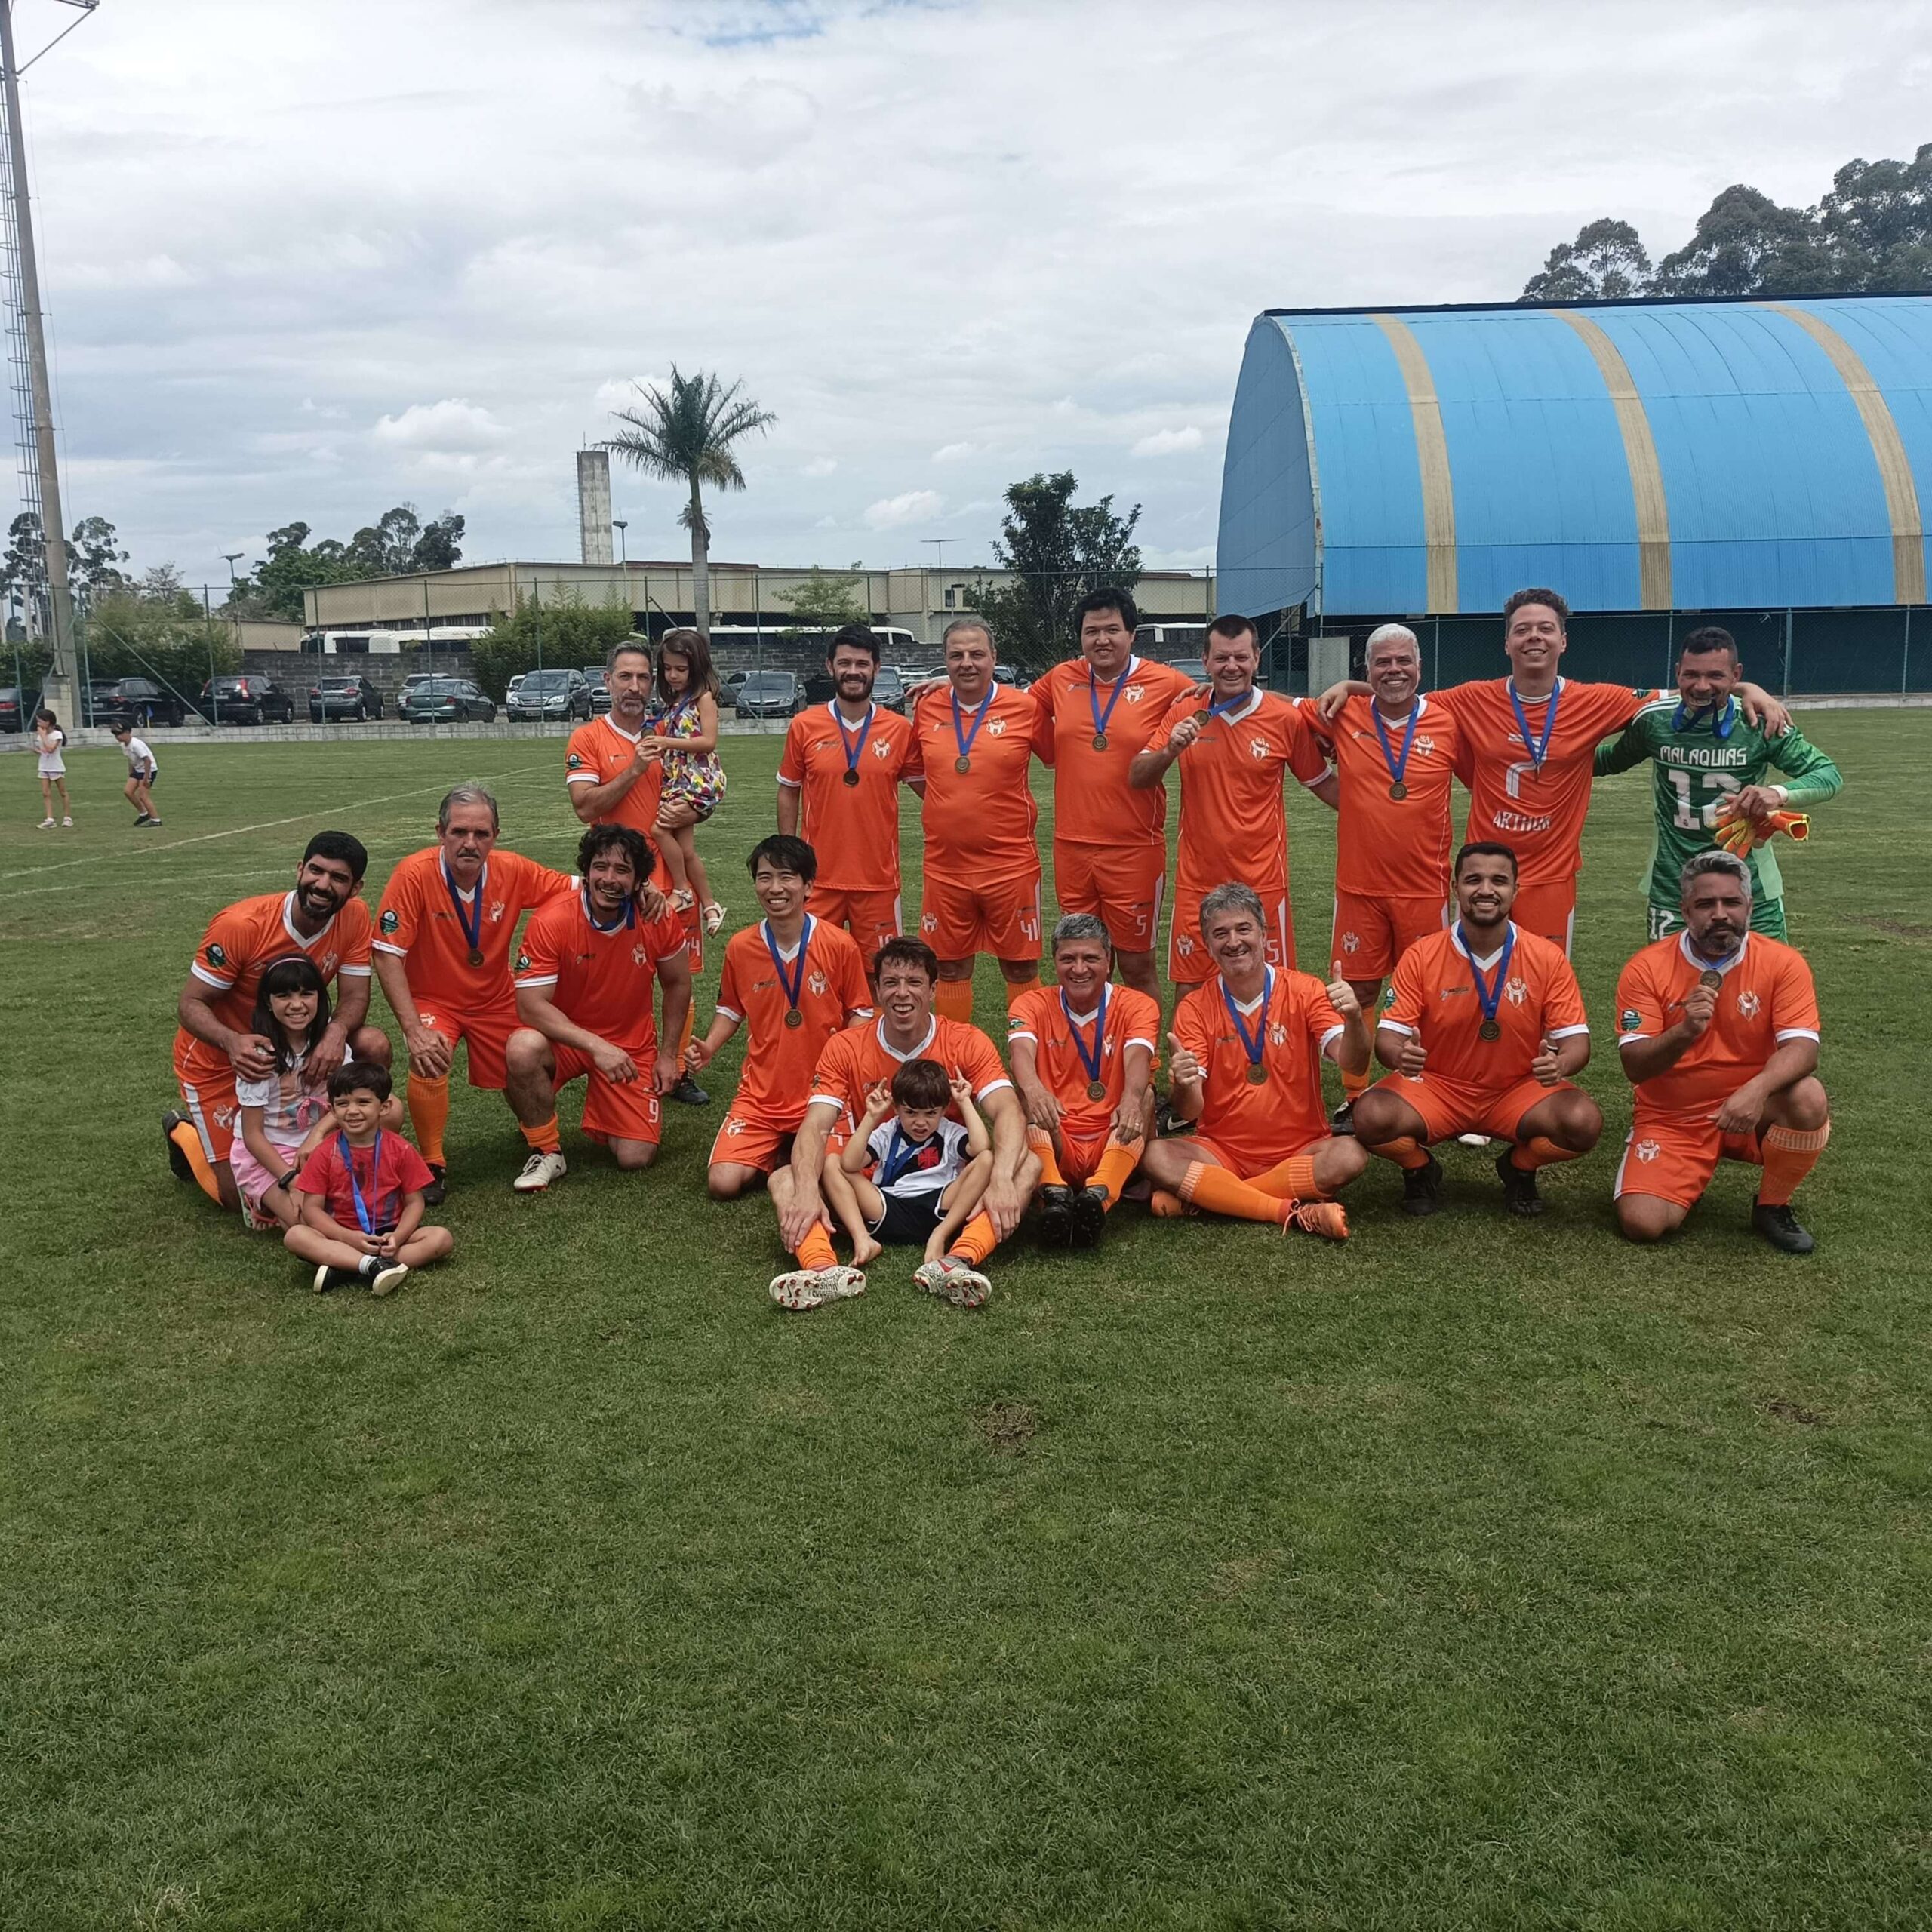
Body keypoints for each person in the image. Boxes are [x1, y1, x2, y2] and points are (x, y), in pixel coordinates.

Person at [1318, 588, 1789, 952]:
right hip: (1486, 871)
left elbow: (1686, 691)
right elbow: (1403, 695)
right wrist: (1353, 685)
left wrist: (1747, 688)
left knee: (1542, 981)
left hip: (1550, 876)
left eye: (1545, 629)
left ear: (1563, 640)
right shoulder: (1470, 699)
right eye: (1522, 630)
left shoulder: (1597, 701)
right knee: (1474, 976)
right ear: (1507, 642)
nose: (1534, 637)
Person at [768, 935, 1038, 1312]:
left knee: (1028, 1164)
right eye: (891, 982)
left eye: (914, 982)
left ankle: (957, 1260)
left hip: (952, 1189)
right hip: (873, 1189)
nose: (902, 993)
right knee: (786, 1179)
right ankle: (823, 1269)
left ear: (933, 990)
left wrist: (1003, 1180)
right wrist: (806, 1191)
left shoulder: (966, 1041)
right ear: (877, 991)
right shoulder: (846, 1046)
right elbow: (816, 1126)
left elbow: (1008, 1111)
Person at [1352, 842, 1602, 1217]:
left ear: (1516, 890)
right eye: (1473, 880)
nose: (1486, 890)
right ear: (1456, 888)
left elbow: (1577, 1042)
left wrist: (1561, 1065)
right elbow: (1388, 1038)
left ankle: (1519, 1167)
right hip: (1438, 1087)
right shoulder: (1422, 955)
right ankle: (1419, 1169)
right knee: (1370, 1116)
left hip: (1517, 1089)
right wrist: (1400, 1056)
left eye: (1498, 881)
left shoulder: (1546, 957)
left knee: (1583, 1122)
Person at [1613, 850, 1829, 1253]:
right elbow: (1635, 1066)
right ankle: (1680, 1173)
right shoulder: (1646, 968)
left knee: (1808, 1096)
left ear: (1749, 906)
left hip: (1750, 1108)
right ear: (1685, 911)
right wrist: (1684, 1031)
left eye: (1731, 902)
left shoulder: (1783, 963)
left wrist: (1756, 1090)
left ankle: (1772, 1205)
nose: (1719, 915)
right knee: (1642, 1223)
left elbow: (1803, 1049)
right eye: (1705, 904)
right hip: (1674, 1117)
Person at [371, 783, 575, 1202]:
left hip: (495, 998)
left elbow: (578, 888)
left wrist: (643, 890)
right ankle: (432, 1164)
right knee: (430, 1051)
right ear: (440, 832)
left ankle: (545, 1146)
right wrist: (413, 1029)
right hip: (433, 999)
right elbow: (387, 953)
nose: (470, 843)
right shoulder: (413, 874)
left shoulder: (512, 869)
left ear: (495, 836)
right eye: (459, 832)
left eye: (481, 834)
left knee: (527, 1053)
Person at [165, 832, 389, 1212]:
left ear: (355, 888)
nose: (322, 885)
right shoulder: (242, 925)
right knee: (239, 1199)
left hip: (296, 1054)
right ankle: (182, 1132)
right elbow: (190, 1003)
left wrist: (335, 1033)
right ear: (299, 869)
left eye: (338, 878)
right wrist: (232, 1042)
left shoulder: (353, 916)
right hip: (221, 1060)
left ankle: (359, 1152)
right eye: (316, 871)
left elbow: (355, 996)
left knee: (372, 1045)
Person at [1142, 883, 1370, 1238]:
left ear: (1264, 933)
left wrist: (1354, 1018)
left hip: (1301, 1149)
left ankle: (1217, 1198)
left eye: (1243, 929)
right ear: (1207, 944)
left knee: (1349, 1155)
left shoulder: (1305, 990)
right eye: (1220, 933)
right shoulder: (1195, 1008)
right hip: (1222, 1153)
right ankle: (1290, 1212)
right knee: (1155, 1157)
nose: (1233, 942)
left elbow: (1353, 1063)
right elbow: (1190, 1111)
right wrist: (1183, 1085)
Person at [1592, 625, 1843, 940]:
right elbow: (1608, 762)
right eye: (1691, 675)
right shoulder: (1654, 720)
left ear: (1736, 675)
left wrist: (1776, 793)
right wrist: (1546, 757)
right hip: (1674, 887)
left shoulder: (1759, 721)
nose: (1701, 686)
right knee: (1669, 974)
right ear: (1677, 672)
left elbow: (1828, 775)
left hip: (1750, 888)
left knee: (1766, 973)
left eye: (1715, 676)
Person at [1132, 614, 1337, 989]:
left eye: (1241, 657)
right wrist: (1169, 751)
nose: (1232, 666)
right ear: (1205, 660)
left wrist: (1380, 808)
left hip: (1263, 882)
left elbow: (1322, 783)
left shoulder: (1284, 719)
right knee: (1191, 988)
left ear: (1257, 658)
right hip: (1198, 882)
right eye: (1222, 658)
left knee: (1271, 988)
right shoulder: (1184, 712)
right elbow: (1138, 777)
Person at [1306, 623, 1456, 1124]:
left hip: (1425, 889)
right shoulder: (1342, 713)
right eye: (1382, 663)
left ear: (1420, 667)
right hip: (1359, 888)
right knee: (1359, 994)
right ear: (1367, 669)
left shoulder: (1448, 720)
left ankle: (1431, 1089)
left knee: (1431, 997)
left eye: (1403, 661)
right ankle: (1355, 1096)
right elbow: (1277, 711)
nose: (1394, 671)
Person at [1030, 588, 1198, 1000]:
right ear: (1081, 637)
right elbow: (1004, 705)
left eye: (1112, 630)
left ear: (1132, 634)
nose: (1102, 640)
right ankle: (1091, 1042)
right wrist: (949, 686)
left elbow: (1218, 702)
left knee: (1137, 966)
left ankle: (1144, 1042)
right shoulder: (1061, 678)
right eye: (1092, 632)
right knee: (1082, 960)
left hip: (1134, 849)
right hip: (1072, 847)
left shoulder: (1166, 681)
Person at [506, 823, 692, 1188]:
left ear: (639, 880)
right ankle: (546, 1150)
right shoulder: (552, 919)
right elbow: (530, 1007)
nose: (609, 879)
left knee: (635, 1156)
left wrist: (670, 1055)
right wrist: (596, 1046)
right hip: (566, 1040)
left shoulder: (657, 916)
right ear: (586, 871)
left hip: (629, 1043)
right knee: (522, 1048)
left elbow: (678, 983)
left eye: (622, 870)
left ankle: (606, 1106)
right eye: (600, 867)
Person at [690, 835, 874, 1201]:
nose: (775, 888)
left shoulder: (839, 944)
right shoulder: (741, 947)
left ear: (808, 886)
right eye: (765, 877)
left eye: (786, 877)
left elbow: (861, 1012)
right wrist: (710, 1045)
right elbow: (731, 1008)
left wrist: (843, 1059)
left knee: (839, 1177)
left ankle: (790, 1152)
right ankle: (787, 1149)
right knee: (722, 1183)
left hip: (825, 1092)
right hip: (763, 1095)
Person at [565, 635, 707, 1106]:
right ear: (607, 681)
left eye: (644, 677)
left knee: (679, 976)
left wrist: (696, 809)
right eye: (625, 676)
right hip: (618, 882)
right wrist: (632, 769)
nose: (634, 686)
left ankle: (677, 1068)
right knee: (623, 977)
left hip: (672, 879)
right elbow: (585, 808)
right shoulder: (588, 737)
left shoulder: (668, 730)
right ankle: (615, 1058)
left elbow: (701, 787)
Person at [906, 616, 1048, 1026]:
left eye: (976, 654)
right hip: (946, 867)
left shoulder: (1025, 707)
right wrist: (949, 803)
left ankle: (1028, 1058)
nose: (966, 663)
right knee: (949, 967)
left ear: (994, 658)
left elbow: (1060, 756)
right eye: (956, 655)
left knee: (1020, 967)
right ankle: (955, 1058)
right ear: (945, 661)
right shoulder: (927, 706)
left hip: (1011, 864)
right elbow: (914, 768)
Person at [776, 621, 922, 971]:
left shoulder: (899, 730)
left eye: (862, 664)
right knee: (813, 970)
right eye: (845, 663)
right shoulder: (805, 725)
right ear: (830, 667)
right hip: (818, 878)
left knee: (880, 974)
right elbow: (789, 790)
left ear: (876, 669)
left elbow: (932, 792)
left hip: (878, 880)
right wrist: (787, 856)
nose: (853, 671)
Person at [1007, 913, 1158, 1248]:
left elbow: (1138, 1056)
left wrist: (1131, 1098)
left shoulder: (1137, 1005)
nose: (1079, 969)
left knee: (1144, 1096)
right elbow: (1020, 1052)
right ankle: (1053, 1191)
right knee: (1023, 1094)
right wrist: (1034, 1089)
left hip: (1113, 1134)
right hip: (1057, 1134)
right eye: (1068, 959)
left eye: (1090, 958)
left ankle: (1100, 1195)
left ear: (1109, 960)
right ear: (1055, 962)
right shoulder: (1030, 1003)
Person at [285, 1061, 454, 1295]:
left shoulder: (402, 1150)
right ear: (332, 1111)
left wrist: (398, 1237)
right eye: (343, 1104)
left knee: (441, 1239)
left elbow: (415, 1203)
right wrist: (348, 1237)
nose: (352, 1111)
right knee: (296, 1236)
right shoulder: (323, 1153)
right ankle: (372, 1265)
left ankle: (349, 1266)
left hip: (389, 1235)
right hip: (339, 1235)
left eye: (363, 1102)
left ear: (384, 1108)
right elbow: (312, 1210)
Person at [821, 1060, 994, 1278]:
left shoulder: (949, 1131)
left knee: (986, 1159)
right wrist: (871, 1117)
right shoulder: (888, 1131)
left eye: (930, 1113)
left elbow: (981, 1147)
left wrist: (964, 1102)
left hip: (938, 1206)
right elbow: (850, 1164)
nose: (920, 1122)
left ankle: (940, 1235)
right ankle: (863, 1239)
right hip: (887, 1207)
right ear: (896, 1108)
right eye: (911, 1112)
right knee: (832, 1163)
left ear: (943, 1110)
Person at [229, 956, 356, 1232]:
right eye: (284, 996)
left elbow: (350, 1101)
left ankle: (279, 1207)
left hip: (318, 1142)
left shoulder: (330, 1043)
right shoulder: (260, 1056)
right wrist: (291, 1180)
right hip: (269, 1153)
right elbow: (253, 1135)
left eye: (306, 994)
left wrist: (317, 1135)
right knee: (311, 1225)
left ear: (320, 998)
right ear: (268, 1002)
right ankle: (183, 1133)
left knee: (348, 1211)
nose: (297, 1005)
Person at [645, 627, 728, 934]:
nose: (673, 675)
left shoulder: (703, 699)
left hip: (697, 782)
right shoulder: (675, 702)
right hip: (677, 782)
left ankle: (682, 890)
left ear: (697, 667)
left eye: (680, 669)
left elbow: (708, 741)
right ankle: (710, 905)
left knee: (658, 829)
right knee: (687, 850)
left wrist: (666, 742)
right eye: (667, 669)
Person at [110, 721, 162, 826]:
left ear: (128, 732)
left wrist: (147, 778)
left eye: (120, 734)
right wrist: (130, 773)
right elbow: (130, 759)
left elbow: (147, 760)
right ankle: (144, 814)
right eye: (115, 735)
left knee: (143, 796)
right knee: (128, 792)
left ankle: (156, 820)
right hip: (137, 769)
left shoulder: (136, 745)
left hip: (148, 770)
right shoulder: (123, 745)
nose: (118, 737)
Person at [33, 709, 71, 828]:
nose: (38, 724)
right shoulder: (41, 735)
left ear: (48, 722)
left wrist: (43, 736)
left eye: (40, 721)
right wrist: (38, 751)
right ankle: (50, 819)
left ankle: (67, 818)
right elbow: (45, 750)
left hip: (56, 767)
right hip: (44, 766)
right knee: (46, 793)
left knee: (62, 792)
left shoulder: (57, 734)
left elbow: (51, 749)